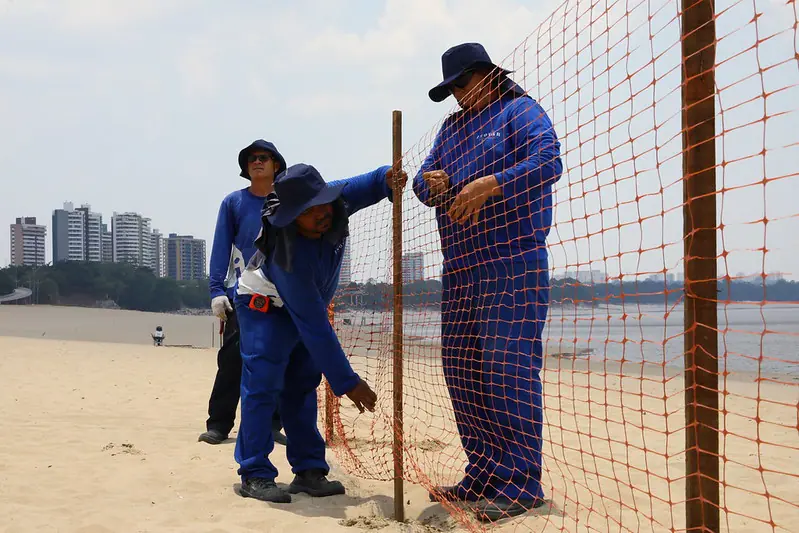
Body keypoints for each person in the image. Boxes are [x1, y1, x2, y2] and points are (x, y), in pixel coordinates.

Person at [413, 42, 563, 522]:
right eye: (450, 89)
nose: (458, 94)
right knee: (463, 369)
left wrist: (490, 183)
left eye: (462, 83)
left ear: (487, 74)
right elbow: (421, 180)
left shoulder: (520, 111)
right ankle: (484, 472)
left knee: (507, 368)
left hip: (511, 261)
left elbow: (549, 161)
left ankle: (521, 483)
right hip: (459, 265)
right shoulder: (451, 128)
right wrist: (430, 183)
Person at [232, 162, 406, 504]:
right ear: (292, 217)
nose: (319, 216)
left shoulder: (333, 203)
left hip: (307, 307)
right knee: (263, 384)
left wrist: (388, 179)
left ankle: (309, 471)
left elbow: (371, 181)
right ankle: (255, 473)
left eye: (321, 206)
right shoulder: (288, 257)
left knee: (303, 382)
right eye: (307, 213)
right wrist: (348, 382)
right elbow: (314, 326)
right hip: (264, 305)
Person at [200, 139, 288, 446]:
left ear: (276, 165)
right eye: (251, 159)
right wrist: (216, 291)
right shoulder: (234, 203)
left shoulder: (289, 201)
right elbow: (221, 247)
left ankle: (272, 425)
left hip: (282, 293)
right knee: (232, 359)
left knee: (278, 360)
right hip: (242, 294)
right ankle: (219, 424)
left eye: (263, 157)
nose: (257, 162)